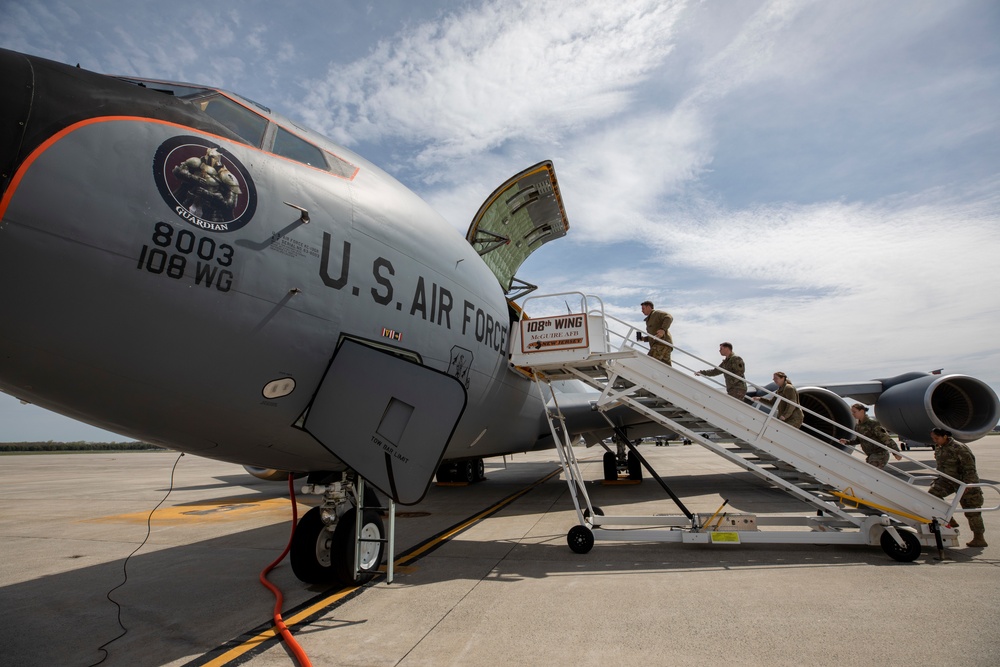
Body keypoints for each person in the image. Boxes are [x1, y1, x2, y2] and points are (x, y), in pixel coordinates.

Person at [928, 427, 987, 547]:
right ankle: (949, 519)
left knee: (971, 510)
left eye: (937, 438)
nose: (935, 440)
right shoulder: (940, 447)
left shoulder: (959, 448)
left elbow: (969, 468)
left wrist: (968, 484)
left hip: (964, 482)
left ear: (945, 436)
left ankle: (979, 538)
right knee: (932, 494)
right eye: (933, 438)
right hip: (948, 481)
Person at [838, 403, 903, 468]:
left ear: (862, 411)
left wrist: (896, 452)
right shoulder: (858, 426)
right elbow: (859, 440)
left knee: (871, 473)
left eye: (854, 412)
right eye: (852, 412)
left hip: (879, 454)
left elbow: (886, 438)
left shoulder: (872, 423)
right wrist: (847, 442)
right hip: (871, 456)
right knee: (871, 474)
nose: (853, 414)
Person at [637, 301, 673, 365]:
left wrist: (662, 330)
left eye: (643, 308)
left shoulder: (656, 314)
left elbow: (669, 317)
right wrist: (643, 339)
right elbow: (654, 336)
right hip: (661, 344)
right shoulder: (649, 319)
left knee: (649, 363)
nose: (642, 311)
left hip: (661, 344)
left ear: (648, 307)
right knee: (665, 369)